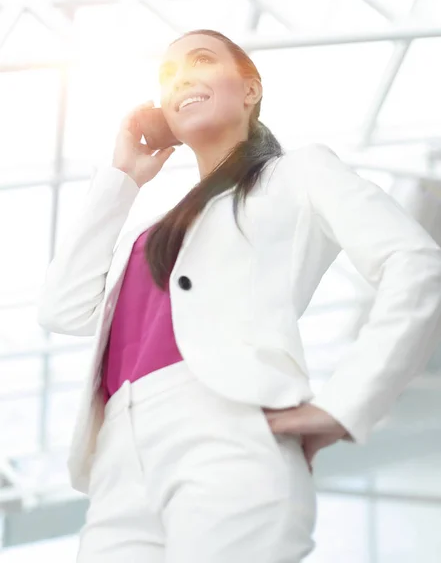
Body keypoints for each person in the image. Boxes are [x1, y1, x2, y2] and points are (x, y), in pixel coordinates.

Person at [37, 29, 441, 563]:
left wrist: (347, 401)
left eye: (200, 60)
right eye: (168, 75)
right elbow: (62, 309)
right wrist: (122, 178)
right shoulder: (154, 229)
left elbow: (415, 262)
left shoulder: (297, 173)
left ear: (250, 90)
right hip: (118, 460)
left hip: (225, 434)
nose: (181, 77)